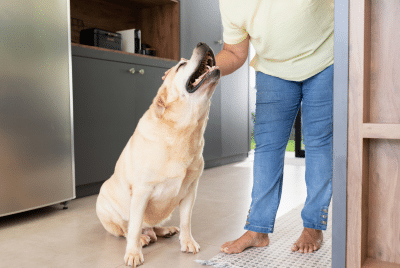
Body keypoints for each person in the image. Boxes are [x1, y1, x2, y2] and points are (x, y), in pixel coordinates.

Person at [215, 0, 334, 254]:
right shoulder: (229, 3)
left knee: (318, 143)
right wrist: (206, 69)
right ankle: (257, 230)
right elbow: (235, 53)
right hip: (274, 69)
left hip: (326, 60)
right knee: (267, 147)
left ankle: (313, 225)